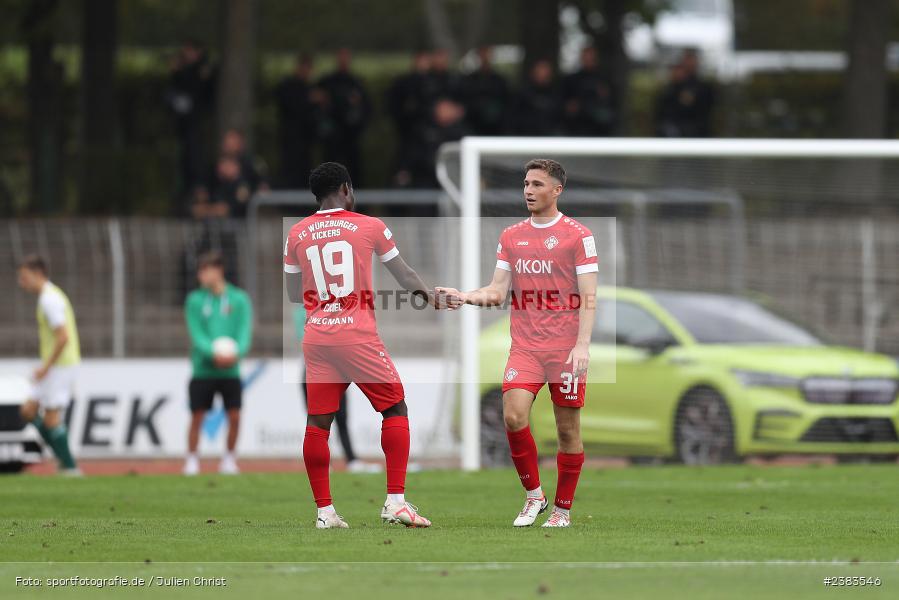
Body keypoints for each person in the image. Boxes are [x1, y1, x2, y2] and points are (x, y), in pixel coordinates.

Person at [437, 159, 598, 528]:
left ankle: (562, 510)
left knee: (567, 430)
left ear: (556, 190)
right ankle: (534, 496)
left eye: (537, 184)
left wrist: (583, 345)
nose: (528, 190)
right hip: (525, 347)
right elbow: (497, 292)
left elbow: (589, 296)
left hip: (565, 348)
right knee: (512, 415)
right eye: (526, 183)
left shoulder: (578, 235)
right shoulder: (511, 235)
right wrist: (463, 296)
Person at [284, 162, 438, 529]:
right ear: (346, 189)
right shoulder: (369, 226)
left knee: (318, 423)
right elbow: (404, 275)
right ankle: (396, 502)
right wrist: (431, 297)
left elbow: (293, 293)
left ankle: (325, 513)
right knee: (394, 408)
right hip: (356, 337)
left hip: (318, 338)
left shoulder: (297, 233)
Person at [183, 251, 253, 476]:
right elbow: (196, 332)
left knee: (235, 415)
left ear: (218, 270)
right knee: (197, 415)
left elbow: (244, 331)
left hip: (230, 369)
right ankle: (192, 460)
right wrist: (213, 352)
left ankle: (229, 459)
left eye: (205, 270)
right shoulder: (194, 300)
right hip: (203, 368)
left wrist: (237, 353)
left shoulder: (239, 299)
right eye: (200, 270)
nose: (201, 275)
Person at [16, 255, 81, 476]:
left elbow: (62, 337)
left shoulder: (49, 300)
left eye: (24, 278)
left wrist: (46, 367)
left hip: (60, 365)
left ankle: (70, 468)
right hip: (54, 365)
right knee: (28, 410)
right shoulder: (49, 296)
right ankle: (63, 460)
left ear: (38, 274)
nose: (21, 283)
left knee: (52, 418)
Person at [165, 40, 216, 201]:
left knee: (195, 160)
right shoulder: (185, 70)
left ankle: (197, 192)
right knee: (185, 160)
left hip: (197, 125)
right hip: (185, 125)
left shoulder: (201, 70)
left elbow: (200, 90)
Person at [317, 49, 371, 185]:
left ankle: (354, 203)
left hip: (351, 135)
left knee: (354, 171)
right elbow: (316, 104)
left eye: (346, 59)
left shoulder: (356, 82)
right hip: (332, 135)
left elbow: (366, 108)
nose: (343, 62)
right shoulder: (327, 82)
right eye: (341, 59)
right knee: (329, 171)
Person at [386, 51, 432, 187]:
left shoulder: (433, 82)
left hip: (427, 137)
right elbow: (394, 106)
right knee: (403, 168)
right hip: (408, 134)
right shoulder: (404, 83)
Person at [276, 54, 321, 188]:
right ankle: (288, 203)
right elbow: (289, 106)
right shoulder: (289, 86)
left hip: (306, 140)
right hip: (291, 138)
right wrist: (309, 99)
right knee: (290, 170)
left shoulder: (311, 88)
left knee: (305, 170)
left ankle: (302, 201)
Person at [654, 50, 715, 138]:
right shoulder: (670, 89)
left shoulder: (702, 87)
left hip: (695, 131)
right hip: (673, 130)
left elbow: (704, 108)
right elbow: (663, 111)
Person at [561, 46, 617, 136]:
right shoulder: (571, 80)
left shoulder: (604, 79)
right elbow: (565, 105)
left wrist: (604, 96)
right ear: (581, 59)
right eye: (586, 58)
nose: (589, 61)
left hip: (600, 128)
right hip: (577, 127)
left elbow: (612, 104)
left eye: (592, 58)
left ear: (596, 59)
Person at [461, 46, 510, 135]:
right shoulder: (469, 80)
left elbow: (506, 103)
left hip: (497, 126)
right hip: (474, 125)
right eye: (482, 54)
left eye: (487, 54)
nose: (485, 57)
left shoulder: (499, 81)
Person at [513, 59, 562, 136]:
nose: (542, 75)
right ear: (532, 73)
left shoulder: (557, 93)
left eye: (545, 72)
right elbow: (513, 119)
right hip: (525, 138)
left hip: (551, 139)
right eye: (539, 72)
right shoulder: (522, 94)